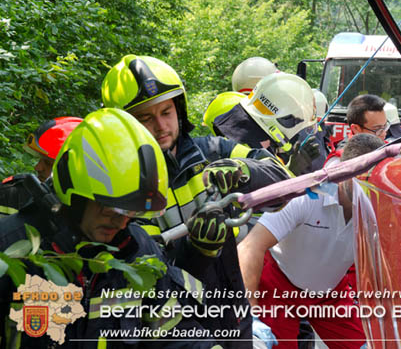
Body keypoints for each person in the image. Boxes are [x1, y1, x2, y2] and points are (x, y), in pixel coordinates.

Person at [101, 55, 291, 347]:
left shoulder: (214, 150)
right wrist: (197, 253)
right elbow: (146, 283)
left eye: (167, 111)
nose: (162, 126)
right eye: (146, 118)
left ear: (180, 108)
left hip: (233, 318)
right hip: (171, 331)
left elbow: (284, 181)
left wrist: (243, 172)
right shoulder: (119, 189)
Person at [0, 108, 223, 348]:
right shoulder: (11, 250)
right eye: (111, 209)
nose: (121, 222)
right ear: (74, 192)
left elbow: (174, 335)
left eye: (131, 212)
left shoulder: (137, 250)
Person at [238, 133, 385, 348]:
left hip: (330, 292)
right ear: (345, 173)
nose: (372, 190)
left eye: (377, 181)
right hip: (278, 287)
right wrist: (249, 314)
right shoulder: (309, 193)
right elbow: (251, 246)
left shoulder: (382, 203)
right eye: (365, 181)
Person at [212, 72, 324, 176]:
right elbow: (257, 192)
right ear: (284, 121)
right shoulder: (243, 151)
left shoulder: (235, 132)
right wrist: (289, 172)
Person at [0, 117, 82, 217]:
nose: (37, 168)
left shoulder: (93, 213)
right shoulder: (12, 195)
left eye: (48, 163)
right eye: (40, 159)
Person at [324, 94, 388, 167]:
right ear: (356, 129)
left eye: (385, 126)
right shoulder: (338, 162)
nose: (384, 133)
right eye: (377, 129)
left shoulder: (389, 147)